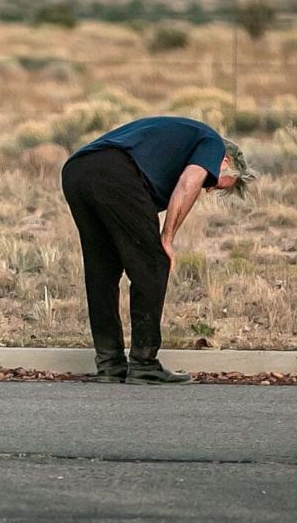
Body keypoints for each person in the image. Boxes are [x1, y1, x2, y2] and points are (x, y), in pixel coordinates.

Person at [60, 116, 256, 385]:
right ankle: (143, 363)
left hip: (76, 171)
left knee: (102, 271)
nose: (208, 189)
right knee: (154, 264)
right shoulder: (212, 143)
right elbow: (189, 183)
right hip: (114, 171)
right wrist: (167, 238)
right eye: (215, 182)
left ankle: (110, 365)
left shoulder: (175, 147)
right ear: (225, 162)